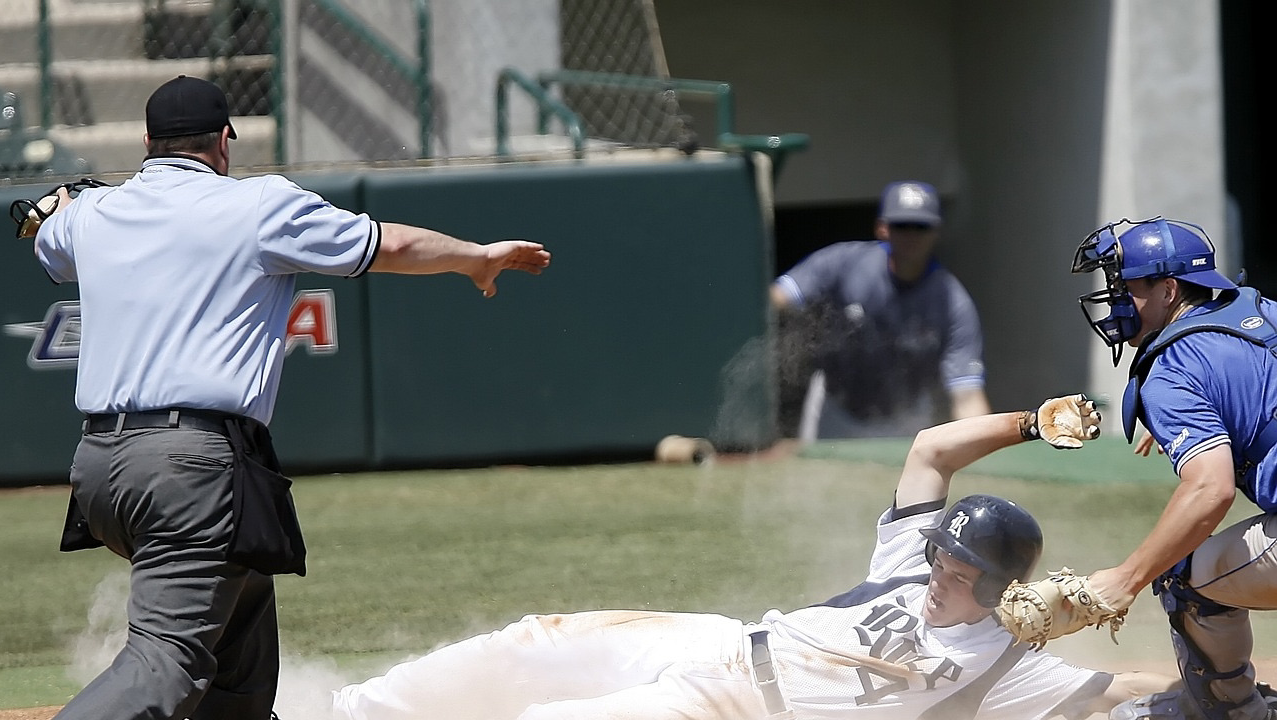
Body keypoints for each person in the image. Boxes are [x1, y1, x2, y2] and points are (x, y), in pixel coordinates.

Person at [30, 75, 551, 720]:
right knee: (168, 662)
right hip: (191, 469)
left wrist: (62, 204)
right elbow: (390, 244)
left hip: (100, 470)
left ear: (145, 141)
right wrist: (476, 257)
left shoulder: (95, 214)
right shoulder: (257, 205)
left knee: (240, 644)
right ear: (224, 140)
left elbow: (50, 235)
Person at [328, 395, 1177, 720]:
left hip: (741, 714)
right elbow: (928, 452)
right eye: (940, 562)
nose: (936, 582)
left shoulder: (1002, 669)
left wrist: (1233, 690)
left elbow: (1118, 690)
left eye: (958, 577)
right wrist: (1030, 424)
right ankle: (341, 716)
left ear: (1001, 590)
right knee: (531, 644)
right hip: (721, 642)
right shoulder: (908, 568)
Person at [1071, 217, 1277, 720]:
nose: (1116, 300)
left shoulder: (1172, 367)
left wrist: (1127, 577)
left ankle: (1234, 711)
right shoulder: (1264, 311)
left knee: (1180, 572)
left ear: (1168, 289)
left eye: (1127, 287)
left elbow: (1210, 490)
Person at [770, 180, 991, 441]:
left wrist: (986, 455)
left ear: (937, 232)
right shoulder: (843, 262)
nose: (911, 235)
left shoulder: (953, 302)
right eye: (902, 226)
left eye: (921, 227)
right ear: (882, 228)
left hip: (906, 420)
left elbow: (966, 394)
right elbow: (777, 298)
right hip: (836, 411)